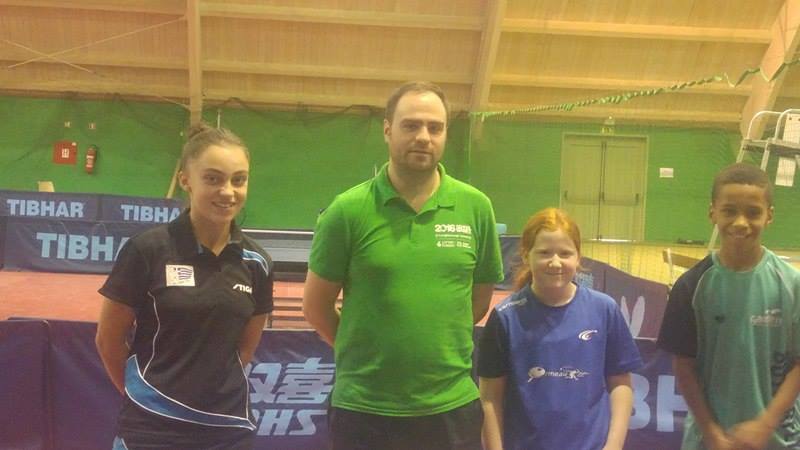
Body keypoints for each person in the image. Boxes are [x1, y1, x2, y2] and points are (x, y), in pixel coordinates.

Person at [302, 81, 504, 450]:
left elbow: (477, 302)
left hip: (451, 408)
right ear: (387, 130)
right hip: (364, 410)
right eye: (411, 125)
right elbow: (316, 307)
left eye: (435, 127)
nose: (423, 137)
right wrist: (368, 353)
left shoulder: (476, 208)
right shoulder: (346, 210)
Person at [95, 123, 273, 450]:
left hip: (227, 428)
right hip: (152, 428)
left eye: (239, 180)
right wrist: (146, 398)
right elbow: (108, 339)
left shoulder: (257, 263)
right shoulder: (147, 250)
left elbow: (244, 349)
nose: (228, 191)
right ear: (185, 180)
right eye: (213, 179)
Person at [657, 163, 800, 450]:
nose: (740, 222)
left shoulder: (791, 284)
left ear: (769, 215)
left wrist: (765, 424)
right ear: (713, 212)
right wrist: (711, 432)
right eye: (729, 211)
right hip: (709, 441)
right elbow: (684, 367)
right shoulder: (691, 286)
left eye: (753, 212)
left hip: (778, 441)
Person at [478, 207, 642, 450]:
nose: (555, 262)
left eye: (565, 253)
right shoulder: (505, 317)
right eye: (544, 253)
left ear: (578, 257)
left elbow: (620, 384)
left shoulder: (604, 309)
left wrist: (613, 446)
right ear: (526, 255)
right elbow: (490, 399)